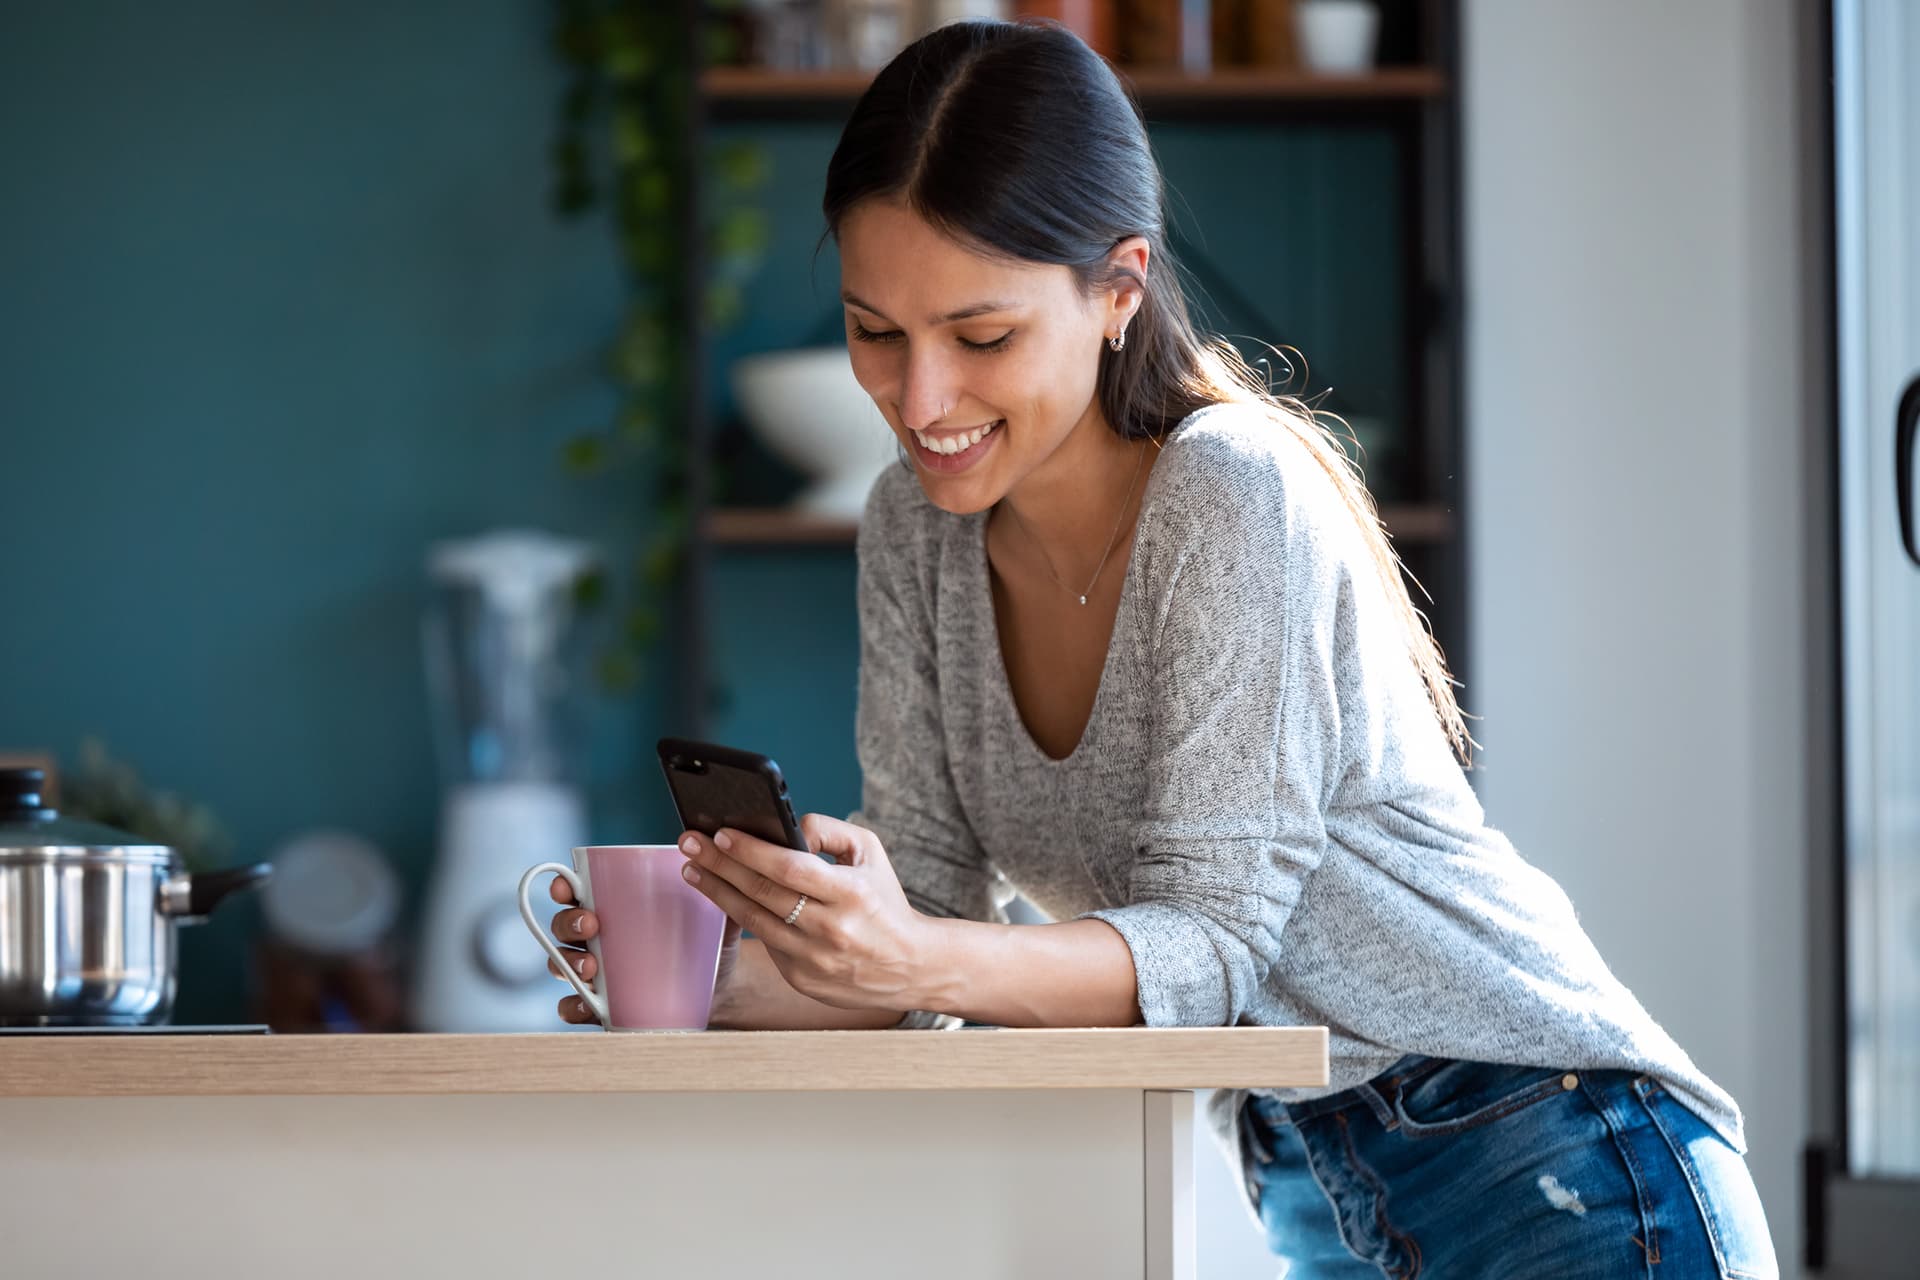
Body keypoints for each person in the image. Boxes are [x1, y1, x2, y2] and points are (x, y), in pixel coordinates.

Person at [546, 18, 1779, 1278]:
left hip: (1553, 1159)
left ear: (1120, 288)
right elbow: (926, 909)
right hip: (1313, 1181)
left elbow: (1208, 944)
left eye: (981, 338)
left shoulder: (1232, 490)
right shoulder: (911, 528)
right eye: (875, 330)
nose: (918, 402)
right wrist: (716, 976)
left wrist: (912, 949)